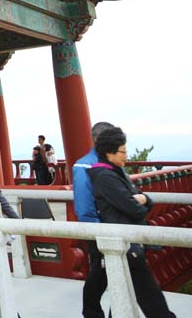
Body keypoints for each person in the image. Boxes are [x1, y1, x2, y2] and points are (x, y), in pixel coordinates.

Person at [88, 126, 175, 317]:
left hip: (128, 242)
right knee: (150, 296)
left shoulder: (116, 172)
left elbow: (142, 200)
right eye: (122, 151)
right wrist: (141, 200)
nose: (126, 156)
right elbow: (135, 209)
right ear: (109, 152)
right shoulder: (105, 177)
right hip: (125, 242)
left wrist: (143, 199)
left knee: (127, 292)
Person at [72, 121, 116, 318]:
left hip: (116, 228)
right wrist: (97, 231)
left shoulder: (111, 163)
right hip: (100, 229)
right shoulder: (84, 165)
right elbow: (84, 206)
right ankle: (91, 313)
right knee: (100, 275)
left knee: (118, 276)